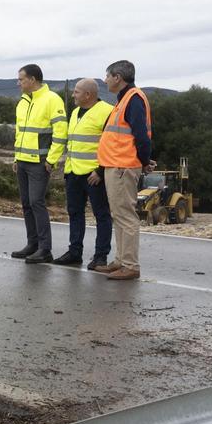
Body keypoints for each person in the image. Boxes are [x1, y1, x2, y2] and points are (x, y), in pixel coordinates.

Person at [47, 78, 114, 269]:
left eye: (76, 92)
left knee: (102, 215)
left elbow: (111, 144)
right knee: (75, 213)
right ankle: (74, 252)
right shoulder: (75, 111)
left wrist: (100, 170)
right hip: (73, 172)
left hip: (94, 175)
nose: (73, 95)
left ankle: (101, 255)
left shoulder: (107, 112)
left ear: (88, 95)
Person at [96, 60, 154, 281]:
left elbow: (142, 136)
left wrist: (144, 160)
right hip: (117, 164)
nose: (106, 79)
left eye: (108, 75)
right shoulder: (124, 99)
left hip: (123, 166)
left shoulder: (133, 99)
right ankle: (121, 261)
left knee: (125, 216)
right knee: (118, 215)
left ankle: (130, 265)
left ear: (118, 77)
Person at [10, 63, 67, 264]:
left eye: (21, 79)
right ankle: (32, 244)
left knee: (36, 202)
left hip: (40, 163)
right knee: (26, 204)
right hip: (23, 161)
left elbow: (61, 133)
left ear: (32, 80)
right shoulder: (23, 102)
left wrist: (51, 160)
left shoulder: (52, 100)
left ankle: (45, 249)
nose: (18, 83)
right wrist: (17, 157)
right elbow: (20, 133)